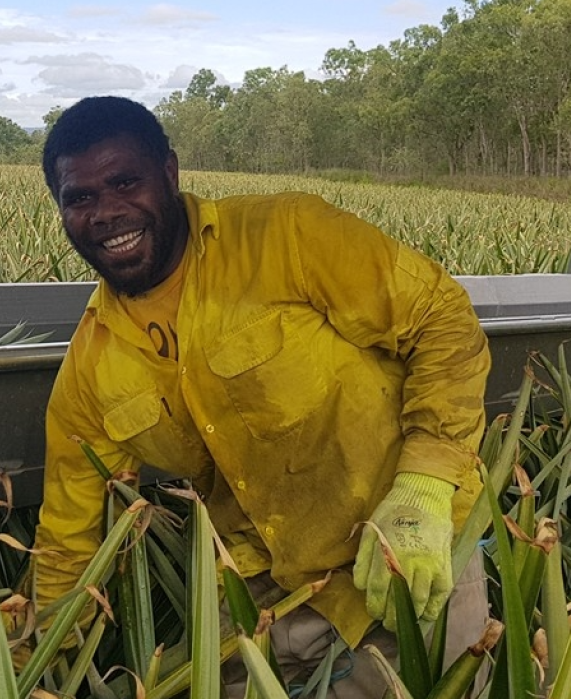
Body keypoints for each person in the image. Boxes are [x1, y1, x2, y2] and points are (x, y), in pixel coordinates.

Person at [30, 95, 491, 697]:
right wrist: (40, 661)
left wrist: (425, 487)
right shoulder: (90, 371)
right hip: (262, 601)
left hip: (405, 563)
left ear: (168, 173)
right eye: (80, 198)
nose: (107, 212)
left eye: (124, 182)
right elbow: (70, 535)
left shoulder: (288, 235)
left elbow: (442, 320)